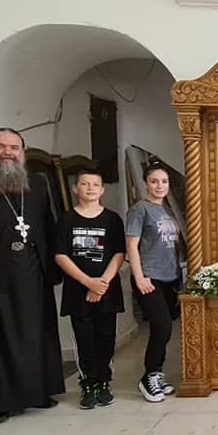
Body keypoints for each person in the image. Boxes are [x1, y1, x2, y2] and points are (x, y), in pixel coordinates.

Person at [0, 128, 65, 422]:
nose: (7, 152)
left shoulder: (38, 183)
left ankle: (38, 392)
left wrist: (53, 269)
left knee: (36, 332)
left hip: (33, 270)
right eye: (0, 146)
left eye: (14, 147)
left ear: (22, 152)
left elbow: (49, 224)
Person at [55, 170, 126, 410]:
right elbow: (60, 255)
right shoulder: (66, 219)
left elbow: (118, 253)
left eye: (95, 184)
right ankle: (88, 384)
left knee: (106, 338)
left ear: (102, 190)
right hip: (78, 292)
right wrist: (88, 282)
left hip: (107, 291)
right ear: (76, 188)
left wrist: (102, 283)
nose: (90, 188)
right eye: (85, 184)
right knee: (84, 340)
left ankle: (104, 382)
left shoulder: (112, 219)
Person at [127, 163, 184, 403]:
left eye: (164, 181)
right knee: (161, 327)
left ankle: (158, 374)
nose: (159, 186)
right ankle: (148, 376)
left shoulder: (166, 210)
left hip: (169, 277)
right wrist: (139, 277)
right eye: (154, 181)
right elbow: (132, 245)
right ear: (146, 183)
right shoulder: (140, 209)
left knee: (166, 329)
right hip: (150, 277)